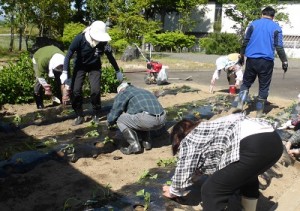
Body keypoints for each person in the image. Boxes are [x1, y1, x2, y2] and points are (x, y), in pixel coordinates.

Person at [162, 113, 283, 211]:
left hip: (253, 144)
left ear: (177, 138)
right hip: (274, 141)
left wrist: (173, 191)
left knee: (211, 190)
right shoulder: (207, 129)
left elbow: (185, 168)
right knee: (247, 176)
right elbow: (198, 166)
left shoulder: (189, 139)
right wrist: (191, 180)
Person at [63, 20, 123, 126]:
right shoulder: (80, 38)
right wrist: (65, 71)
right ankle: (79, 115)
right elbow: (68, 54)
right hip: (80, 66)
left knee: (95, 90)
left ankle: (96, 114)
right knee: (76, 91)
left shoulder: (103, 42)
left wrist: (117, 71)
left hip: (94, 67)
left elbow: (110, 56)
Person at [233, 6, 288, 117]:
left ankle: (239, 105)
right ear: (273, 16)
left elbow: (246, 41)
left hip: (251, 60)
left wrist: (241, 56)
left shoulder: (253, 24)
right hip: (266, 61)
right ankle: (259, 112)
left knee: (246, 83)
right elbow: (279, 47)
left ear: (262, 14)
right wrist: (284, 61)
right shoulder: (277, 27)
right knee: (263, 87)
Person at [107, 82, 166, 155]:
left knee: (120, 119)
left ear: (121, 90)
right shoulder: (143, 90)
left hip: (148, 120)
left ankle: (134, 145)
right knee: (139, 117)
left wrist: (109, 122)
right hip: (162, 119)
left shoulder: (124, 92)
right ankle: (147, 142)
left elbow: (115, 112)